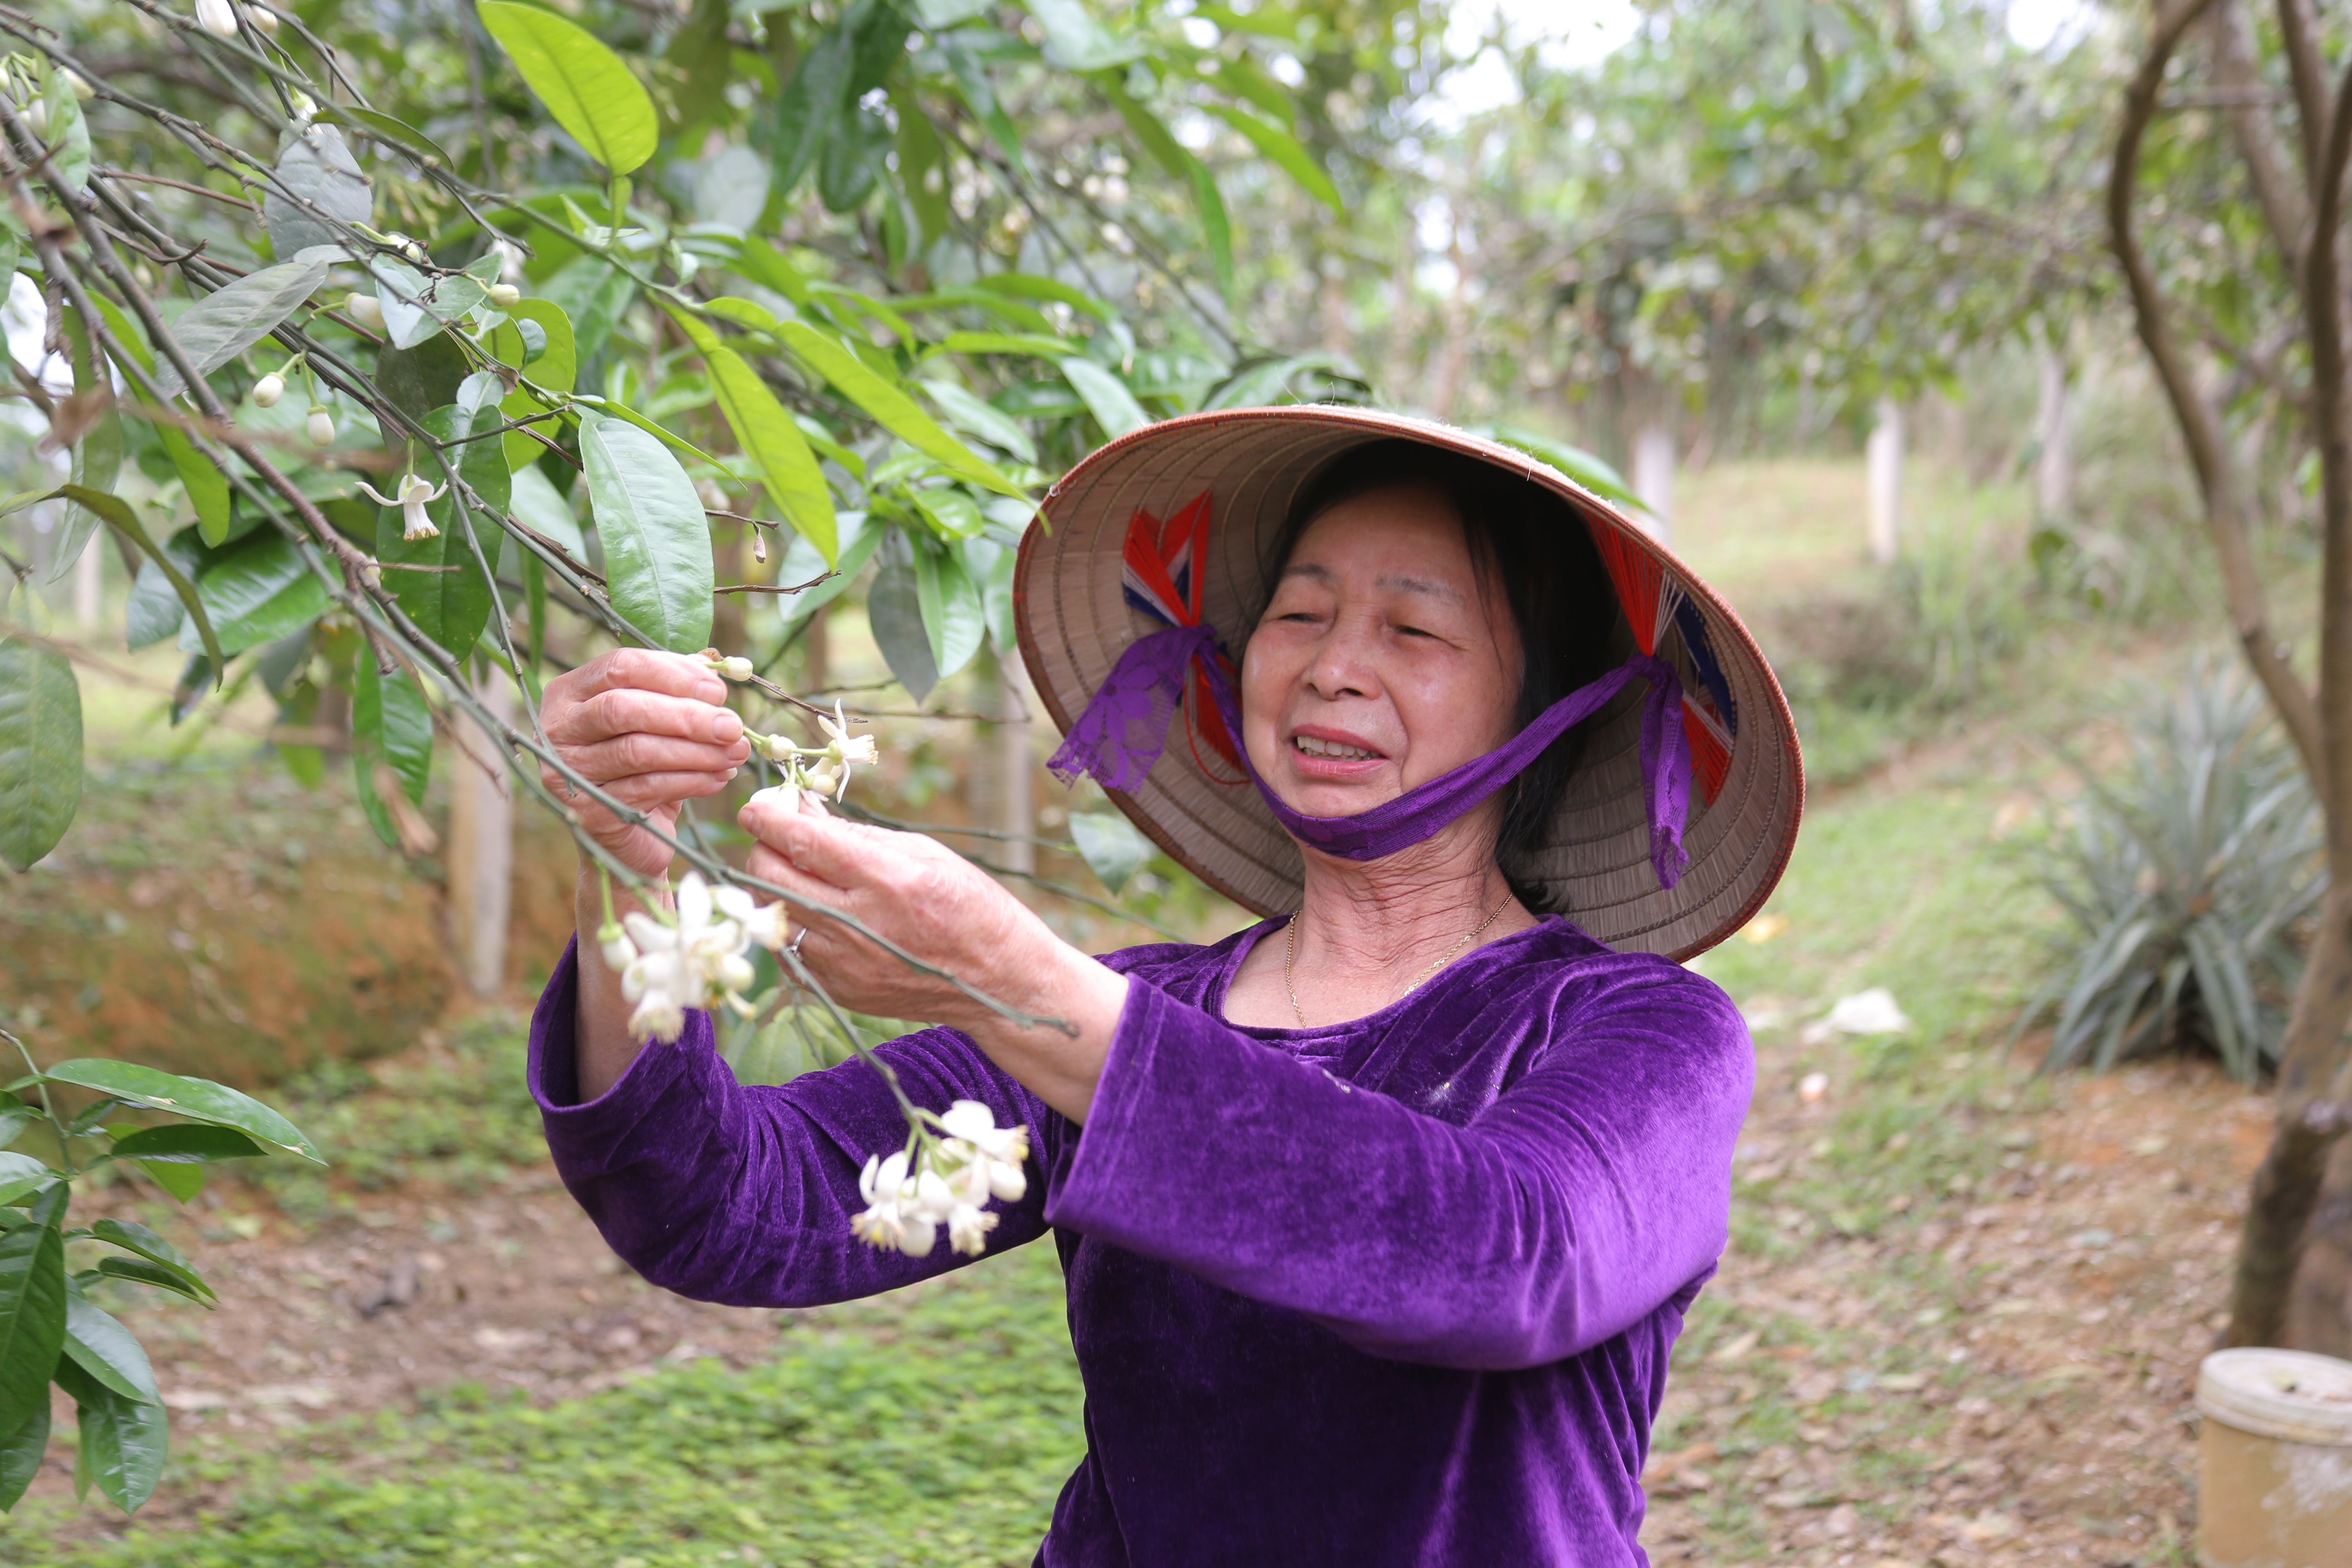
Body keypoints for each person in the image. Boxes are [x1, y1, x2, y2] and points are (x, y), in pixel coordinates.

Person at [528, 408, 1804, 1566]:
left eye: (1413, 629)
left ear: (1546, 712)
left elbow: (1505, 1255)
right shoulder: (1119, 1019)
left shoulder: (1638, 1031)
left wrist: (1009, 980)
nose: (1332, 667)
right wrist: (628, 872)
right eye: (1299, 616)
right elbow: (720, 1202)